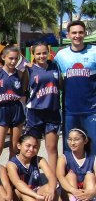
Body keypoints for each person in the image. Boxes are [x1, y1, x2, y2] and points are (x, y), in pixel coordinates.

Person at [7, 134, 78, 201]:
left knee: (50, 186)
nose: (31, 149)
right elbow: (17, 183)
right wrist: (36, 196)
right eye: (28, 146)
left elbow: (51, 176)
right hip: (19, 200)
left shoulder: (39, 160)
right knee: (22, 190)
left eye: (35, 147)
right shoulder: (12, 164)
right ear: (19, 146)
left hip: (36, 196)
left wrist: (52, 191)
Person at [54, 20, 96, 152]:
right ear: (68, 35)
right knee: (70, 147)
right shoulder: (61, 56)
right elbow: (55, 79)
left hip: (92, 110)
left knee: (93, 146)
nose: (77, 35)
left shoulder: (94, 51)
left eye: (80, 32)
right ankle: (70, 172)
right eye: (74, 33)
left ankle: (92, 171)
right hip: (69, 110)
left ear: (85, 33)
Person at [25, 42, 62, 172]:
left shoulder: (54, 66)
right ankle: (32, 176)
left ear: (48, 53)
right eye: (38, 53)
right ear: (33, 54)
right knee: (32, 147)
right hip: (35, 112)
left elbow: (61, 84)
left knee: (51, 148)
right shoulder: (28, 69)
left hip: (52, 111)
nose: (41, 56)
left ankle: (53, 179)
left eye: (44, 53)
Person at [0, 45, 27, 161]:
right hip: (1, 109)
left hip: (16, 108)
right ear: (3, 57)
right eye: (10, 58)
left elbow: (24, 90)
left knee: (15, 147)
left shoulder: (20, 74)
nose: (13, 61)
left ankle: (12, 173)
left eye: (16, 59)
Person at [56, 128, 96, 201]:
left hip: (88, 196)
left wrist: (92, 192)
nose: (72, 143)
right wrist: (74, 190)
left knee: (90, 175)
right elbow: (60, 177)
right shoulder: (64, 157)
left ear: (85, 141)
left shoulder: (93, 158)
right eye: (69, 139)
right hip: (70, 195)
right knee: (70, 175)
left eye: (76, 139)